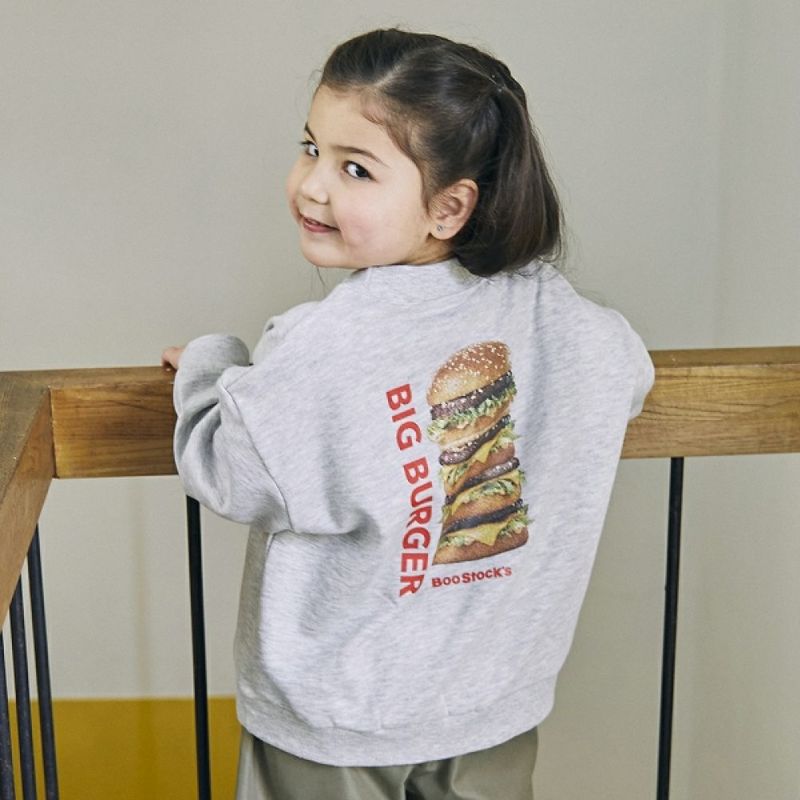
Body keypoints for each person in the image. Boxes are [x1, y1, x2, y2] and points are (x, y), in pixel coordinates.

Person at [162, 28, 654, 800]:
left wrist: (212, 365)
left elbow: (226, 468)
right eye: (311, 148)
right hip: (492, 702)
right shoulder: (561, 316)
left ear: (449, 207)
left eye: (355, 168)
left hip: (338, 720)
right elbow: (628, 372)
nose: (312, 186)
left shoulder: (323, 342)